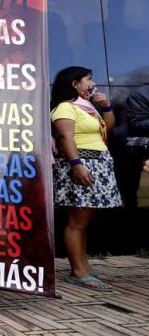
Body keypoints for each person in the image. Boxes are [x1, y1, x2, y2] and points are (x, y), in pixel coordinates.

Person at [51, 66, 121, 292]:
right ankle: (77, 271)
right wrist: (76, 165)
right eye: (88, 79)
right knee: (76, 221)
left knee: (83, 220)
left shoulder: (87, 107)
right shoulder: (65, 107)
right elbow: (65, 136)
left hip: (96, 163)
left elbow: (106, 129)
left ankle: (84, 266)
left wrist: (106, 107)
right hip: (81, 164)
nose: (92, 83)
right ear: (75, 83)